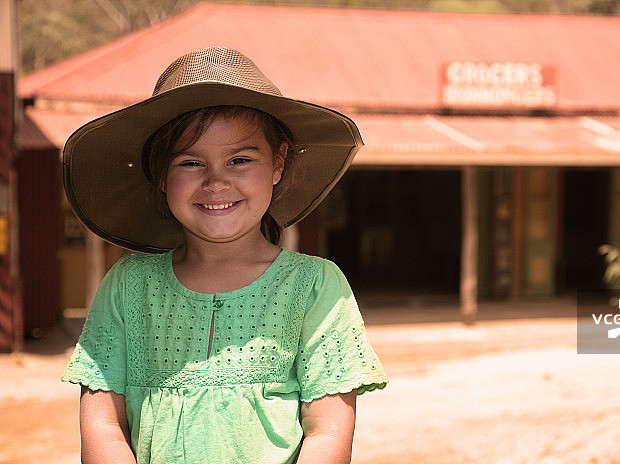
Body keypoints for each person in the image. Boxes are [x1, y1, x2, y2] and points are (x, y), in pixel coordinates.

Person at [60, 46, 387, 464]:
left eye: (239, 159)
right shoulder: (127, 285)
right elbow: (103, 424)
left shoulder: (315, 287)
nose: (217, 182)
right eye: (191, 162)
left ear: (278, 163)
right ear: (160, 176)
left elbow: (328, 430)